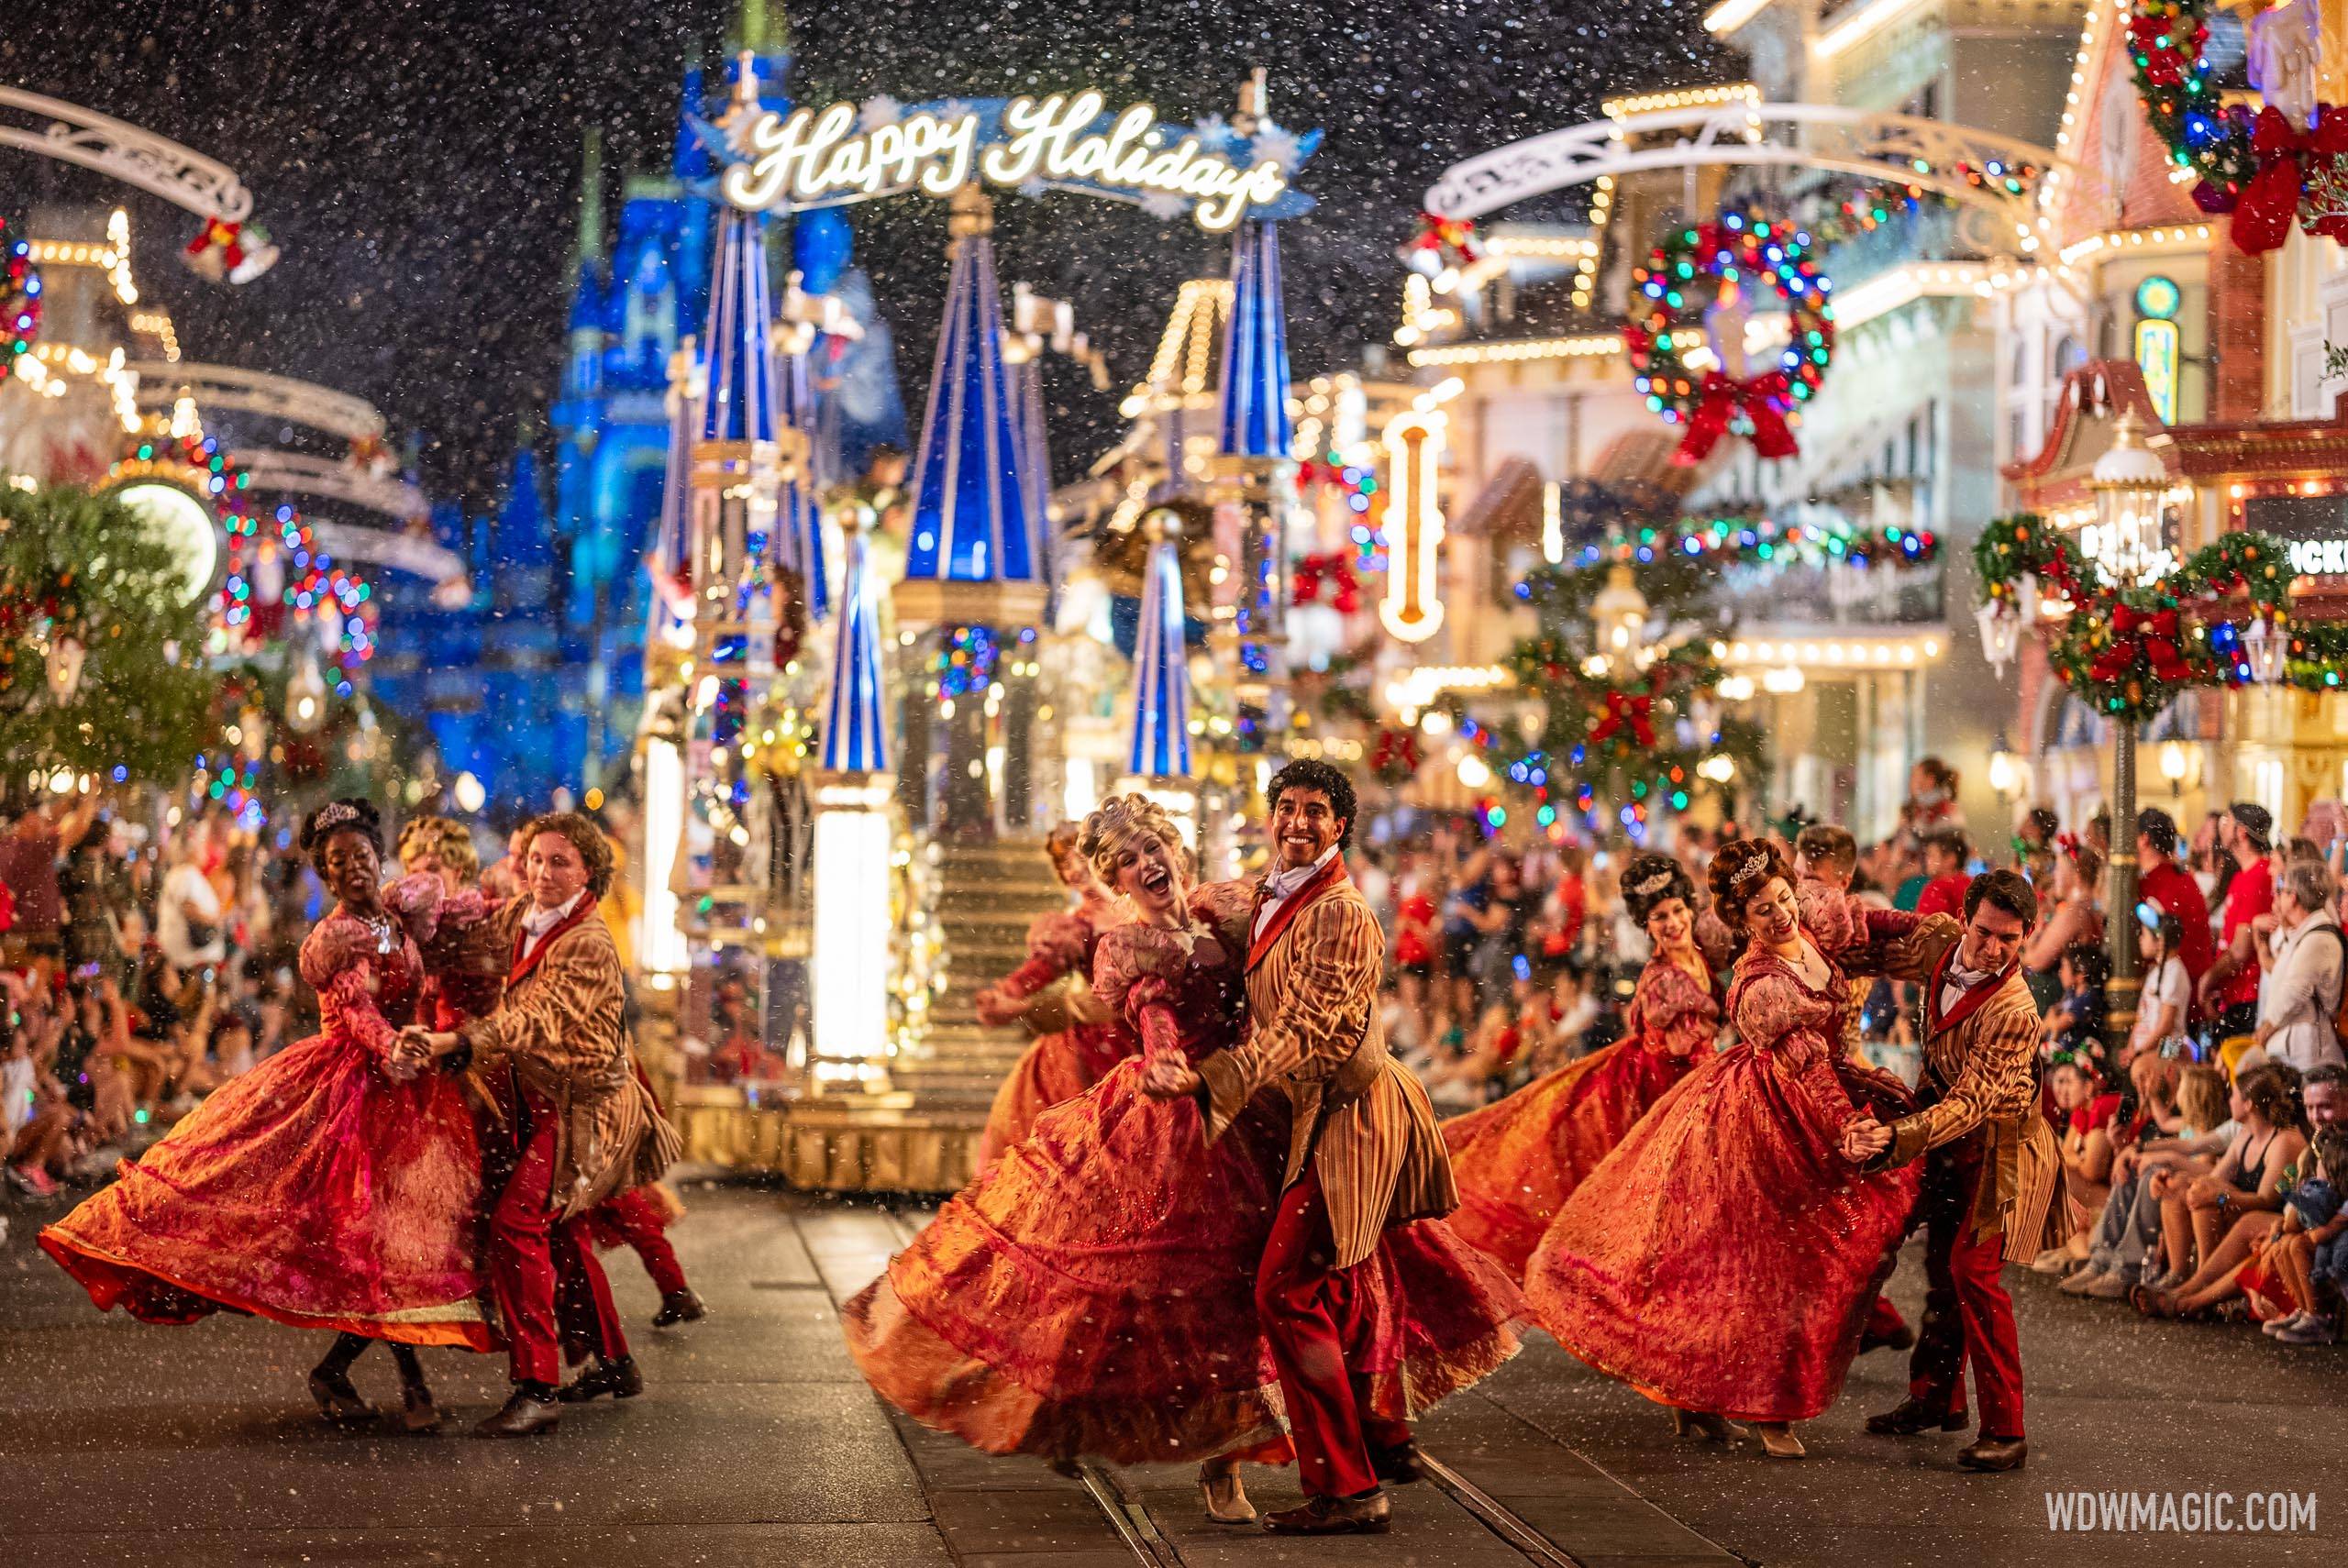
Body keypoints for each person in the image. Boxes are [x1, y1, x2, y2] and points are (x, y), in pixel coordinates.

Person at [845, 796, 1291, 1521]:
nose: (1147, 865)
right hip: (1172, 1119)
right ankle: (1083, 1412)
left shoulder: (1225, 916)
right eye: (1126, 862)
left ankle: (1232, 1454)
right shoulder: (1127, 947)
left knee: (1258, 1282)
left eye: (1153, 849)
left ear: (1175, 849)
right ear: (1115, 882)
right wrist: (1164, 1058)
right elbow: (1151, 1010)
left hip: (1251, 1107)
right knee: (1152, 1283)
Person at [1146, 760, 1524, 1534]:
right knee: (1342, 1286)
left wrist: (1216, 1078)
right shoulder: (1272, 891)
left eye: (1314, 811)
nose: (1297, 822)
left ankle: (1349, 1489)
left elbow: (1312, 1027)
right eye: (1286, 808)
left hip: (1349, 1120)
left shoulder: (1344, 913)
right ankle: (1380, 1441)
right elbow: (1206, 915)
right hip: (1308, 1117)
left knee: (1283, 1292)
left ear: (1340, 826)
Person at [39, 800, 491, 1431]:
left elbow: (449, 935)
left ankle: (338, 1370)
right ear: (327, 877)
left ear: (377, 858)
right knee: (372, 1243)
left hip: (409, 1098)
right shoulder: (338, 939)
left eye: (362, 856)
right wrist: (392, 1045)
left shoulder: (399, 915)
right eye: (340, 863)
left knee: (396, 1248)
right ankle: (412, 1390)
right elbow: (358, 1011)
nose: (355, 869)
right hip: (347, 1094)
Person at [1526, 837, 1924, 1461]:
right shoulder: (1758, 984)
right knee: (1762, 1266)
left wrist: (1928, 928)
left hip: (1808, 1108)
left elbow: (1867, 927)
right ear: (1742, 923)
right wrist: (1846, 1122)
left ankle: (1710, 1395)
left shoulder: (1813, 927)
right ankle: (1765, 1404)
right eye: (1763, 910)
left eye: (1783, 898)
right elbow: (1805, 1064)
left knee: (1816, 1251)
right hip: (1763, 1122)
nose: (1781, 914)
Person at [398, 812, 681, 1437]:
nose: (544, 873)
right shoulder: (525, 914)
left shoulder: (588, 942)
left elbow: (537, 1019)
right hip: (536, 1097)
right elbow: (469, 945)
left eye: (561, 863)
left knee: (518, 1225)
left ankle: (537, 1385)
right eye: (537, 860)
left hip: (585, 1109)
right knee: (562, 1232)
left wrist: (454, 1043)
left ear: (588, 873)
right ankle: (613, 1361)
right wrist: (404, 923)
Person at [1854, 870, 2066, 1474]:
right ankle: (1934, 1398)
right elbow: (1873, 945)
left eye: (2010, 938)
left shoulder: (2015, 1007)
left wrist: (1898, 1138)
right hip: (1949, 1134)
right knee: (1938, 1266)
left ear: (2026, 935)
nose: (1994, 948)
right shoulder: (1941, 943)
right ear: (1966, 918)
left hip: (2002, 1149)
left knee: (1974, 1272)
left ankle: (2007, 1429)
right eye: (1985, 932)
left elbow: (1973, 1104)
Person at [1441, 853, 1711, 1281]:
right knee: (1628, 1184)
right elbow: (1683, 1047)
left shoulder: (1699, 950)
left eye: (1678, 911)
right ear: (1646, 925)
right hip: (1653, 1089)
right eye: (1660, 916)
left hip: (1671, 1086)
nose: (1673, 922)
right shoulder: (1663, 978)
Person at [972, 823, 1130, 1176]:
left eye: (1078, 859)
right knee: (1085, 1149)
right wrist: (1006, 993)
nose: (1073, 871)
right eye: (1064, 866)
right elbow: (1038, 971)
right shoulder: (1073, 927)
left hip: (1147, 1036)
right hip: (1096, 1045)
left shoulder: (1143, 907)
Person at [2250, 858, 2347, 1074]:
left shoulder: (2319, 938)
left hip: (2306, 1054)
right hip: (2292, 1048)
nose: (2276, 897)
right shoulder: (2304, 933)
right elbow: (2280, 973)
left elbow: (2294, 991)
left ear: (2293, 897)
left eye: (2282, 891)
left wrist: (2263, 1033)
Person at [2198, 803, 2276, 1040]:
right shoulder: (2242, 876)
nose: (2221, 829)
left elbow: (2241, 950)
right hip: (2233, 993)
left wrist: (2208, 979)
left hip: (2247, 996)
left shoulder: (2259, 876)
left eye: (2227, 822)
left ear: (2241, 832)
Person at [2134, 810, 2213, 999]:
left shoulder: (2155, 885)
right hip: (2190, 988)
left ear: (2144, 839)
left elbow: (2156, 946)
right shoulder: (2185, 879)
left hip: (2170, 993)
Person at [1913, 829, 1974, 922]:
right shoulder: (1973, 885)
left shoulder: (1937, 887)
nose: (1926, 861)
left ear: (1951, 859)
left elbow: (1923, 928)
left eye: (1931, 855)